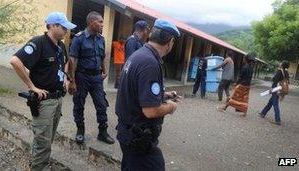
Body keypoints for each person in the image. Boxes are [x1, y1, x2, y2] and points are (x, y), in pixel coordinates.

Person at [10, 12, 76, 170]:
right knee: (43, 142)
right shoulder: (39, 42)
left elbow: (65, 63)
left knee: (47, 138)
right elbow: (15, 61)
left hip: (57, 99)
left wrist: (67, 79)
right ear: (53, 26)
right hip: (44, 102)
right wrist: (31, 86)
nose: (67, 30)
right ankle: (39, 167)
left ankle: (36, 164)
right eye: (64, 27)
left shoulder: (60, 46)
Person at [115, 18, 181, 171]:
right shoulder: (150, 63)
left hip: (128, 132)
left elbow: (136, 90)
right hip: (138, 138)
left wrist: (163, 95)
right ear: (170, 42)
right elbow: (150, 111)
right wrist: (170, 107)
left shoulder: (139, 55)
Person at [67, 11, 114, 144]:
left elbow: (102, 56)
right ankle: (80, 130)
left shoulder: (101, 39)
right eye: (100, 22)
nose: (102, 24)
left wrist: (104, 71)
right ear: (91, 23)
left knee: (101, 104)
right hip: (82, 76)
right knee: (79, 103)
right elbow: (72, 60)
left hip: (96, 77)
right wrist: (72, 81)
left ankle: (103, 132)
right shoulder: (79, 38)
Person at [259, 60, 290, 125]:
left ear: (282, 65)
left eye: (281, 62)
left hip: (276, 89)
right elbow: (287, 81)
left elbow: (275, 81)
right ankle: (263, 113)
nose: (280, 63)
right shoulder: (286, 72)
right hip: (280, 89)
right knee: (270, 102)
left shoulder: (279, 71)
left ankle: (278, 120)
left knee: (275, 104)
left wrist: (272, 89)